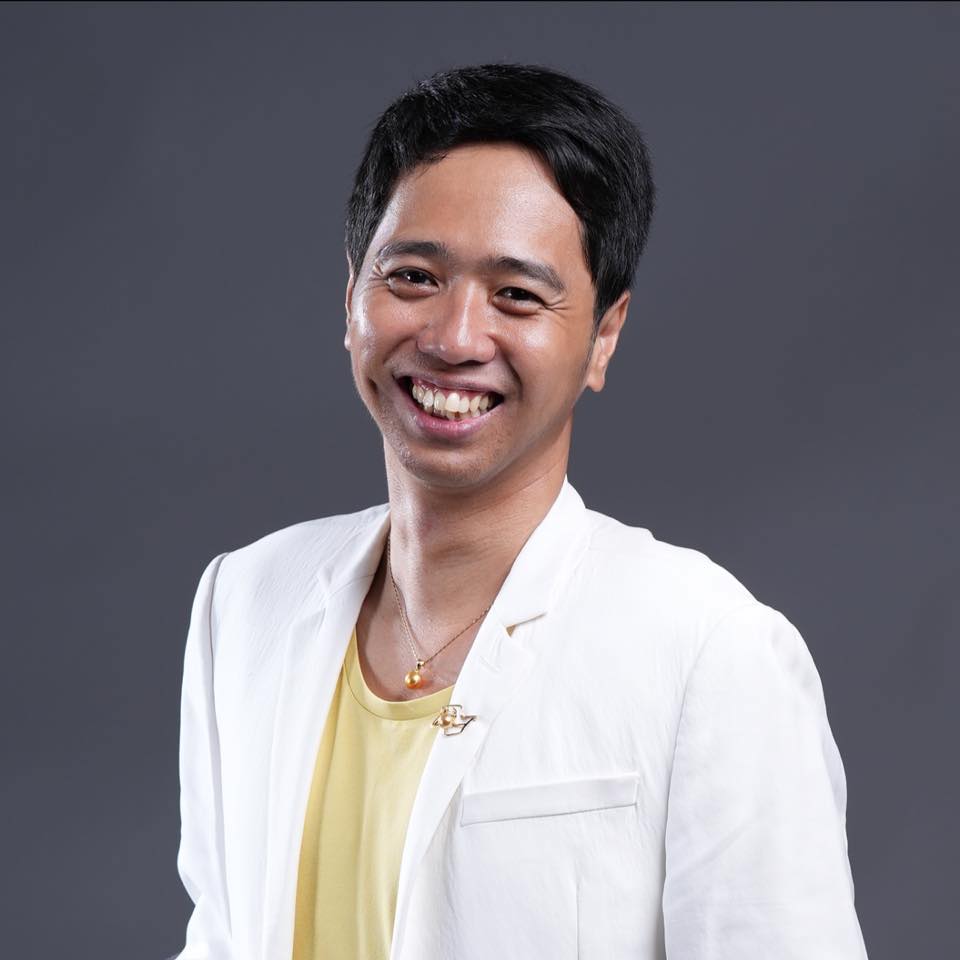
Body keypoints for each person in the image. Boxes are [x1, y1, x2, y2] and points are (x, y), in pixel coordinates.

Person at [172, 63, 869, 960]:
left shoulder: (712, 651)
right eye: (413, 276)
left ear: (603, 335)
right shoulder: (244, 601)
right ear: (351, 297)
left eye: (518, 295)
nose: (455, 338)